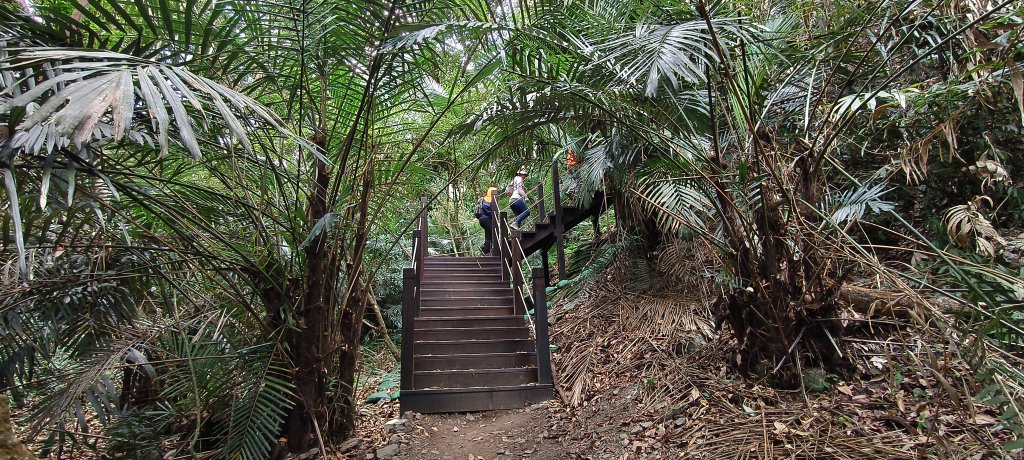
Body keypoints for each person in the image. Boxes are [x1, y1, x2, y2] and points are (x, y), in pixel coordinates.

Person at [477, 187, 497, 255]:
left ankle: (488, 250)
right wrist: (493, 215)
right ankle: (485, 249)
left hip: (483, 219)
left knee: (489, 233)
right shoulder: (487, 199)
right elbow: (486, 207)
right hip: (486, 219)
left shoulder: (485, 199)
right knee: (491, 232)